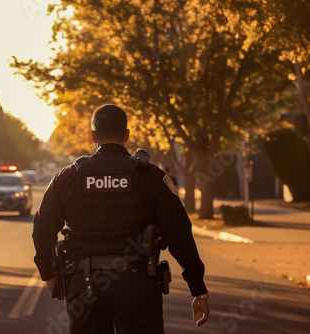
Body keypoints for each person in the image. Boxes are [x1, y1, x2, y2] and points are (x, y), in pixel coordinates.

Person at [32, 104, 209, 333]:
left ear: (93, 136)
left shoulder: (67, 178)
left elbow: (41, 230)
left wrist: (48, 275)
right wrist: (198, 289)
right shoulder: (152, 177)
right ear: (126, 135)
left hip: (85, 287)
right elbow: (179, 235)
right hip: (138, 286)